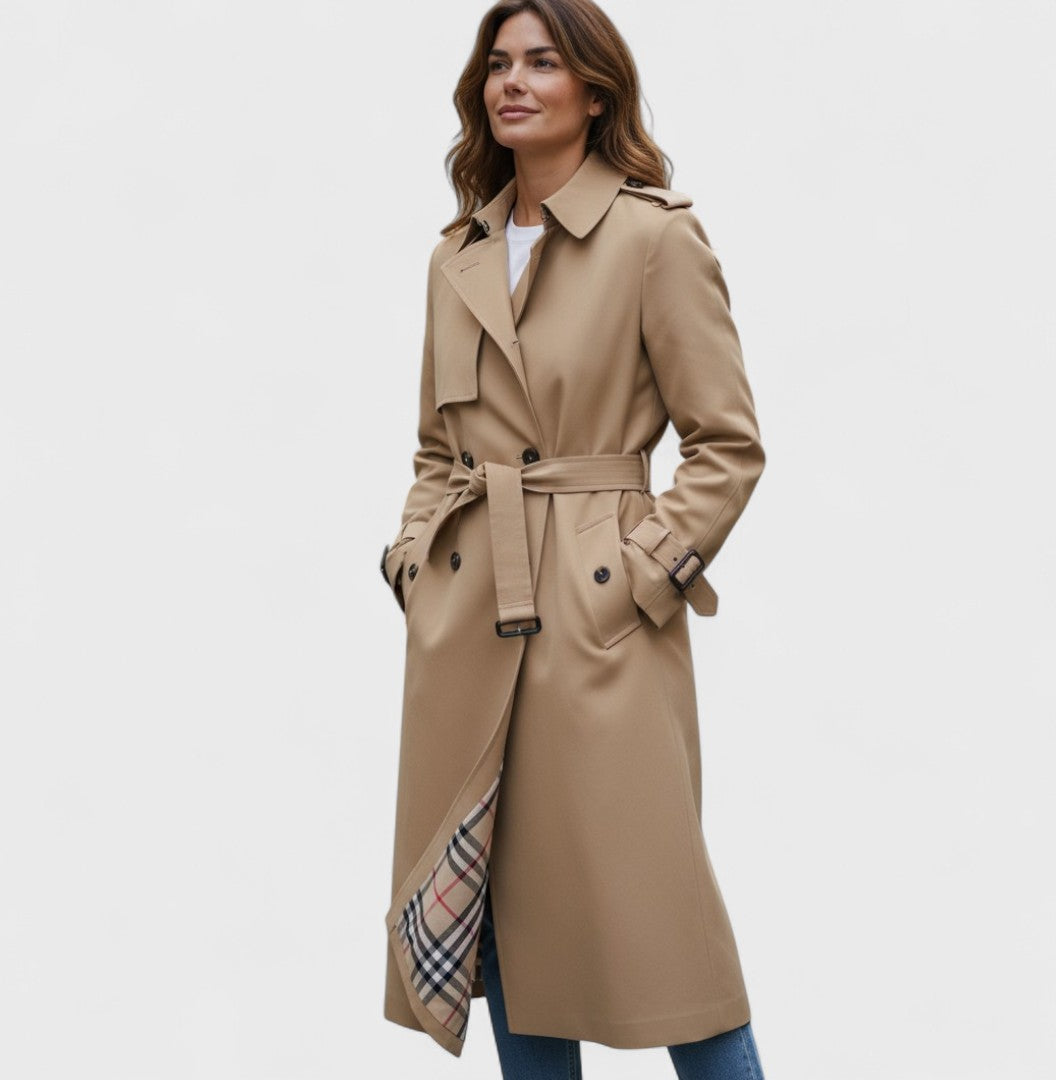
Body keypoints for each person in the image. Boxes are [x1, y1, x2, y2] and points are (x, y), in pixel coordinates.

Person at [380, 2, 768, 1077]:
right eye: (499, 63)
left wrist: (638, 579)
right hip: (470, 619)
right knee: (506, 921)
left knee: (663, 923)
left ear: (594, 91)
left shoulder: (653, 237)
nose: (513, 81)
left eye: (542, 62)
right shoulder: (456, 256)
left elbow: (727, 445)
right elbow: (436, 448)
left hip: (599, 620)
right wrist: (414, 565)